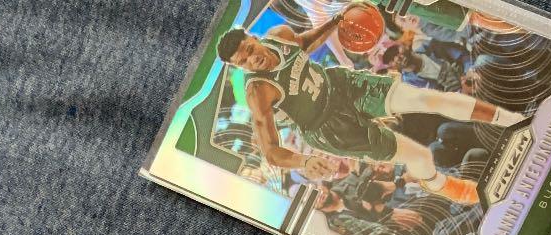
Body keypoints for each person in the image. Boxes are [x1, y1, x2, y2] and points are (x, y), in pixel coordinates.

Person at [216, 14, 523, 204]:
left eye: (250, 50)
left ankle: (511, 120)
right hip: (326, 127)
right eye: (243, 62)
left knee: (425, 99)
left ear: (254, 38)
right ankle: (447, 188)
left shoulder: (279, 36)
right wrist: (303, 161)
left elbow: (303, 43)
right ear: (239, 66)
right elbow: (271, 152)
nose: (252, 59)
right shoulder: (258, 92)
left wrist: (336, 21)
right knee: (420, 156)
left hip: (341, 85)